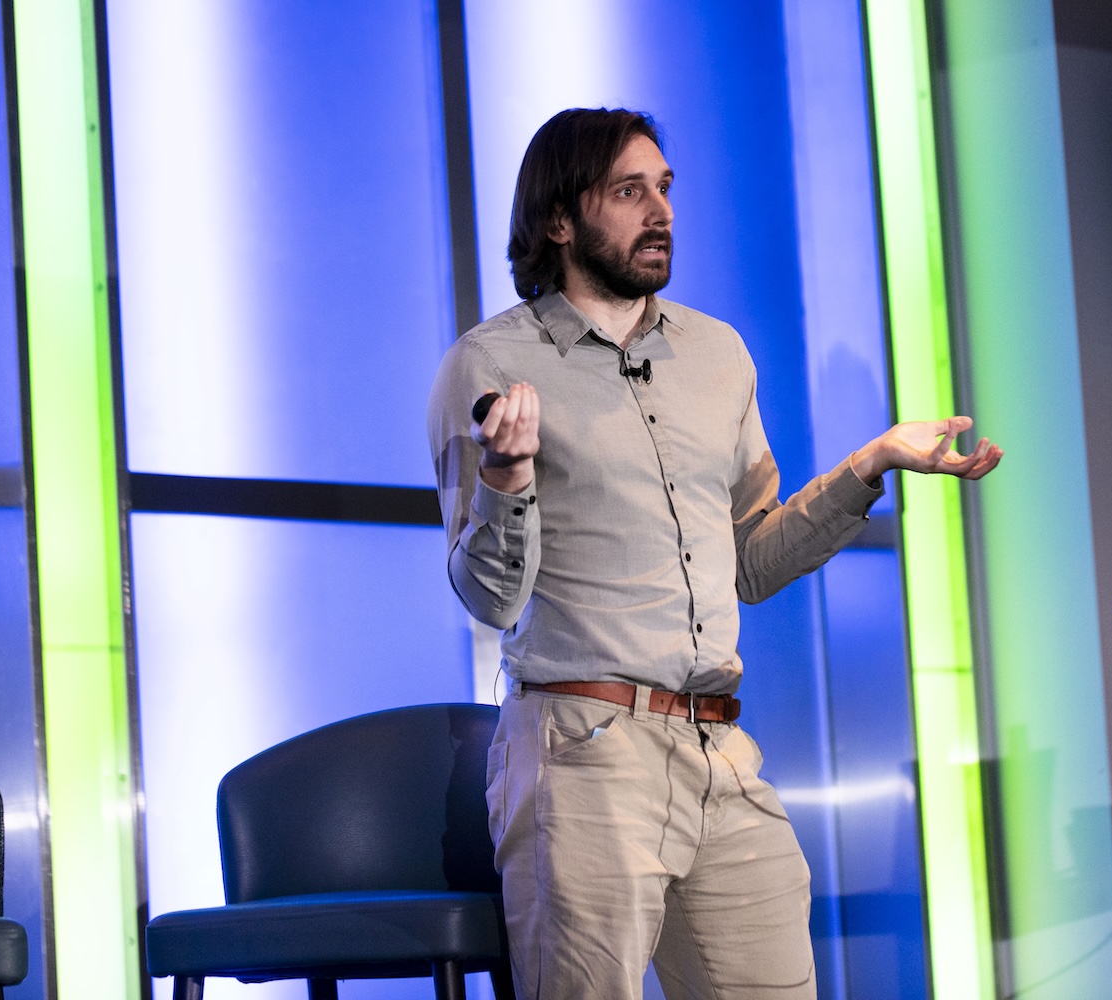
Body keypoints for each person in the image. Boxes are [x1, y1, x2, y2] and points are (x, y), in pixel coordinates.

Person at [427, 108, 1001, 1000]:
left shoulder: (717, 355)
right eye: (628, 191)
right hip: (584, 753)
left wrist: (869, 463)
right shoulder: (491, 364)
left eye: (664, 188)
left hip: (719, 751)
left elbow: (750, 564)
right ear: (558, 220)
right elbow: (489, 599)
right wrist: (505, 478)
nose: (659, 211)